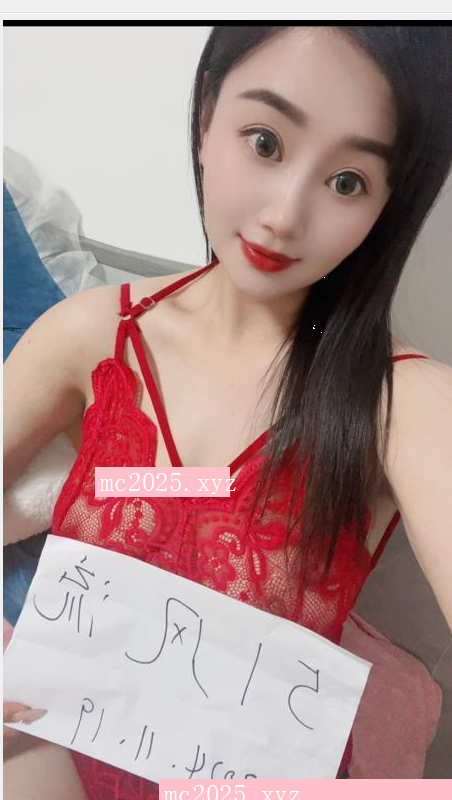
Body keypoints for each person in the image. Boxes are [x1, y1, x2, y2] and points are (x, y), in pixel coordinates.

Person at [3, 25, 452, 794]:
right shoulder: (91, 335)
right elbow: (186, 489)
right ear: (206, 113)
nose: (283, 215)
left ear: (389, 202)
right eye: (266, 142)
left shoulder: (404, 401)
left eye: (348, 181)